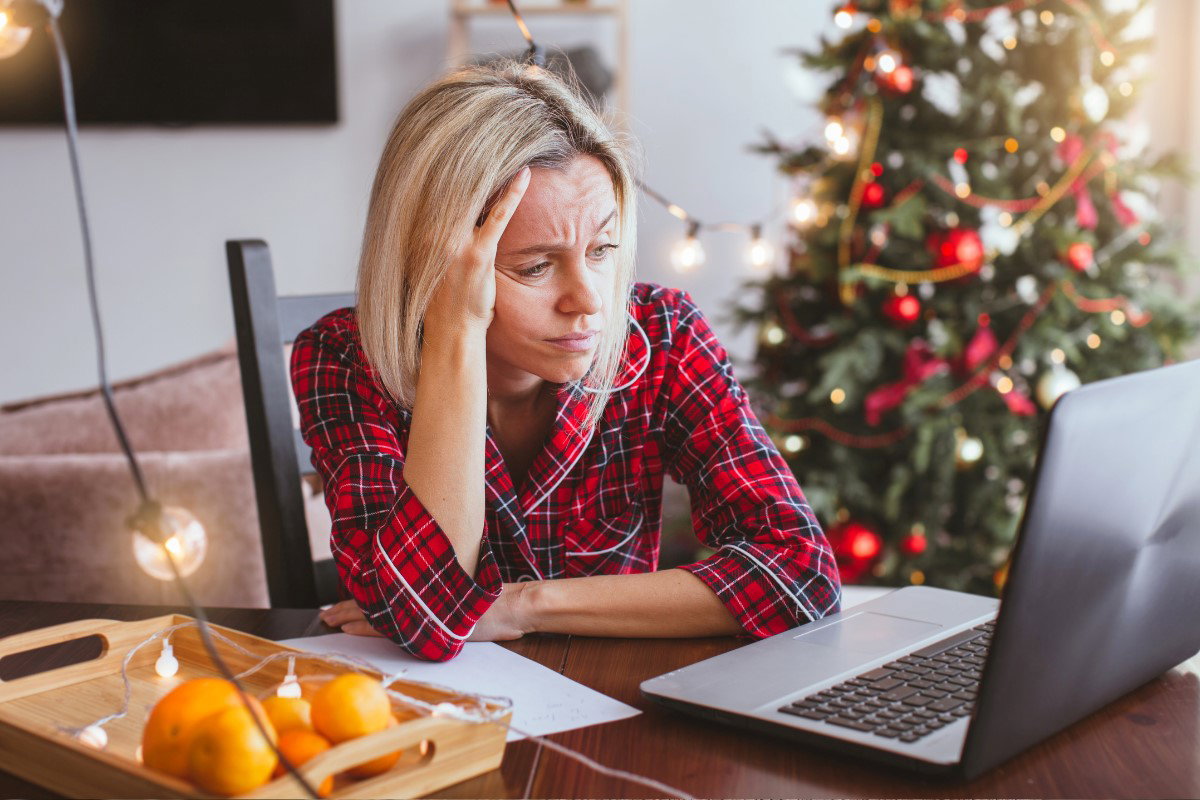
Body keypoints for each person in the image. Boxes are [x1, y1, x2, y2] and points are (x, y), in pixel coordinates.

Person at [291, 59, 841, 662]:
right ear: (435, 263)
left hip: (613, 704)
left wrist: (521, 605)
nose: (588, 301)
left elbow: (800, 577)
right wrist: (456, 329)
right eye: (536, 266)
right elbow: (430, 618)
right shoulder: (344, 358)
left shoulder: (662, 336)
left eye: (603, 250)